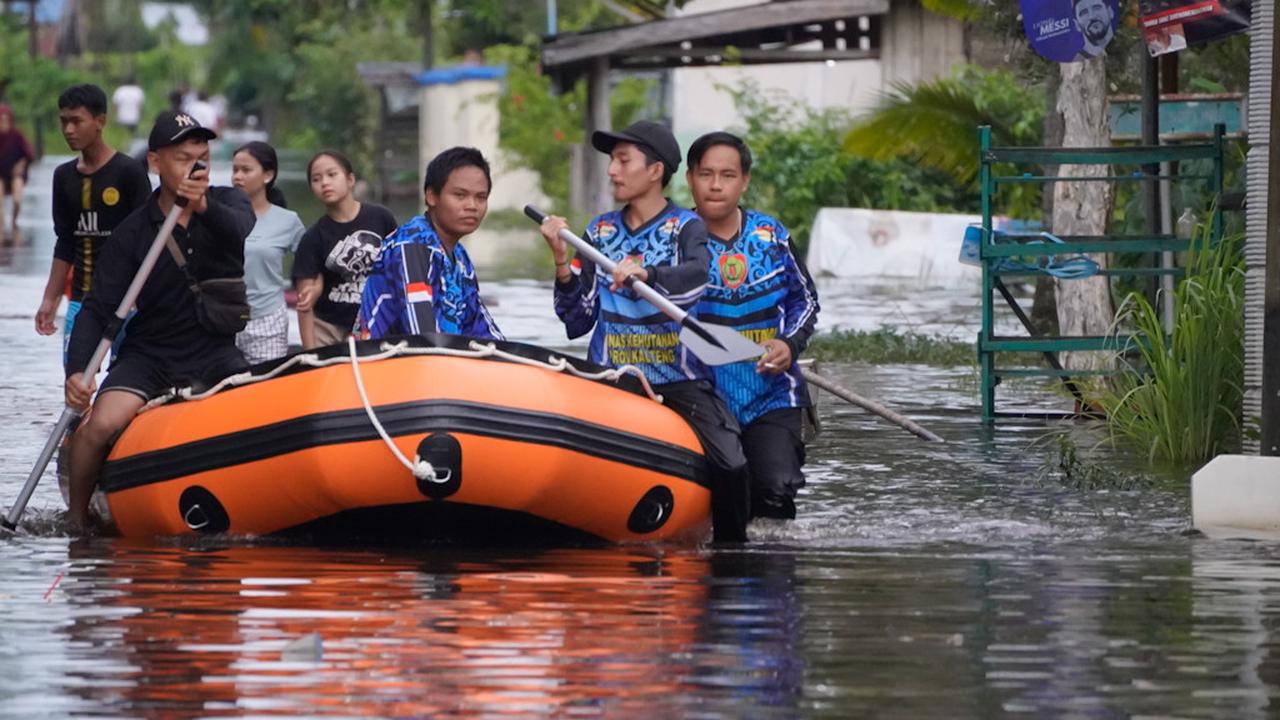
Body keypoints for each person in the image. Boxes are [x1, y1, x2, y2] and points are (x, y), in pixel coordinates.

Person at [538, 120, 751, 543]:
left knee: (732, 465)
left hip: (677, 379)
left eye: (623, 160)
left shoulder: (685, 228)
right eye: (612, 161)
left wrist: (648, 273)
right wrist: (562, 261)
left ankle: (732, 554)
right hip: (611, 379)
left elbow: (696, 279)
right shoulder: (598, 233)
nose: (613, 171)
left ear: (656, 171)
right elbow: (576, 319)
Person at [63, 109, 255, 529]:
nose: (196, 166)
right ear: (155, 163)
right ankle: (76, 521)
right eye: (184, 157)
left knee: (255, 410)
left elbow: (240, 229)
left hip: (216, 351)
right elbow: (97, 309)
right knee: (101, 426)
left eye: (202, 156)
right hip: (151, 355)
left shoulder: (227, 203)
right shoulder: (133, 232)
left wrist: (202, 205)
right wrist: (77, 371)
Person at [686, 132, 820, 521]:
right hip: (699, 395)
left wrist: (788, 344)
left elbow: (806, 300)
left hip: (771, 393)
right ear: (690, 179)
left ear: (744, 181)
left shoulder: (772, 236)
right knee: (716, 497)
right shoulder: (671, 239)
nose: (715, 184)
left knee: (774, 493)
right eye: (706, 173)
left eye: (727, 175)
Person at [36, 84, 153, 367]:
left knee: (123, 381)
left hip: (128, 303)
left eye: (77, 121)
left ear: (100, 122)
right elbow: (65, 241)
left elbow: (148, 241)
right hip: (81, 300)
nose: (68, 130)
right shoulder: (63, 177)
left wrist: (146, 298)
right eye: (64, 121)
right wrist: (50, 300)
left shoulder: (130, 173)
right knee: (75, 382)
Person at [358, 146, 502, 341]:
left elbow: (482, 329)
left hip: (437, 361)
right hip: (380, 362)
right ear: (431, 196)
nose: (472, 206)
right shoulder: (411, 246)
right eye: (460, 195)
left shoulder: (460, 258)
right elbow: (422, 335)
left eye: (481, 197)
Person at [292, 151, 397, 348]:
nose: (324, 182)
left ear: (350, 180)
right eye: (316, 179)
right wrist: (309, 353)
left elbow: (400, 268)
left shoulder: (381, 218)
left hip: (376, 321)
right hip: (329, 329)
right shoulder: (312, 238)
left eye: (332, 175)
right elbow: (304, 304)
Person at [231, 141, 305, 364]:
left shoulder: (287, 221)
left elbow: (310, 262)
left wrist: (309, 287)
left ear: (267, 175)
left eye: (246, 170)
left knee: (265, 387)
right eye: (235, 170)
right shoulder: (218, 215)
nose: (237, 177)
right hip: (222, 319)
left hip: (267, 320)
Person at [0, 104, 36, 240]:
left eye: (6, 120)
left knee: (17, 199)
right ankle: (1, 226)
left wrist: (21, 165)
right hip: (0, 175)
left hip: (16, 174)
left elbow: (29, 154)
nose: (3, 123)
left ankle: (14, 220)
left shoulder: (17, 136)